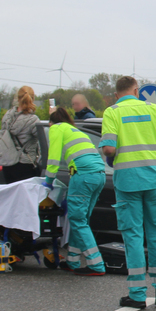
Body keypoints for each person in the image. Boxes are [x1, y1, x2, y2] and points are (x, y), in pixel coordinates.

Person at [100, 75, 156, 309]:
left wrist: (108, 154)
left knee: (133, 236)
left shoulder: (112, 112)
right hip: (154, 180)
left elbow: (109, 148)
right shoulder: (153, 110)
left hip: (127, 183)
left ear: (117, 94)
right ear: (136, 90)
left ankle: (137, 295)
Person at [45, 108, 106, 276]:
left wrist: (47, 182)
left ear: (52, 123)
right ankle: (72, 260)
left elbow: (53, 159)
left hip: (83, 175)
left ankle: (96, 263)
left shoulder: (57, 128)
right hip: (99, 175)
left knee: (77, 220)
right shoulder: (75, 130)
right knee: (81, 220)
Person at [0, 86, 41, 184]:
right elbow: (44, 138)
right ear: (32, 99)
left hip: (8, 161)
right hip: (25, 163)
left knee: (12, 195)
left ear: (18, 98)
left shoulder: (7, 116)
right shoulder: (33, 120)